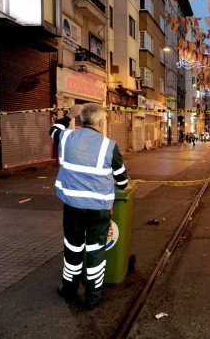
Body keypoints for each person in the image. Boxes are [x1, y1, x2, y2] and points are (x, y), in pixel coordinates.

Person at [49, 103, 129, 310]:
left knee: (73, 248)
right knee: (95, 250)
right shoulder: (109, 146)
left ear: (82, 119)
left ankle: (69, 289)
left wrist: (68, 115)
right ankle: (93, 297)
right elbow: (122, 180)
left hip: (73, 207)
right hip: (98, 210)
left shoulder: (66, 138)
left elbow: (54, 130)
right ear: (101, 122)